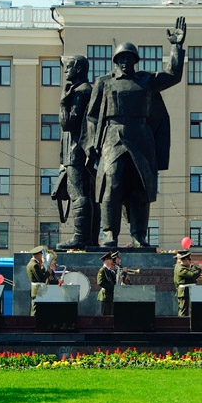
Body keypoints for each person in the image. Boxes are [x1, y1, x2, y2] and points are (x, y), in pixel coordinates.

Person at [82, 17, 187, 247]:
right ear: (116, 61)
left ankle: (139, 235)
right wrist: (91, 142)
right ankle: (109, 233)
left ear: (136, 61)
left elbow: (174, 75)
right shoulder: (104, 82)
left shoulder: (146, 80)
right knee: (113, 181)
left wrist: (176, 47)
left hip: (141, 136)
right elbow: (91, 115)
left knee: (141, 187)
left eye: (130, 58)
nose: (126, 62)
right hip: (113, 135)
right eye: (122, 58)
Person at [55, 55, 99, 250]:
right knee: (89, 195)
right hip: (82, 151)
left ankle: (81, 237)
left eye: (69, 67)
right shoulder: (87, 89)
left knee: (78, 194)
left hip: (76, 151)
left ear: (79, 69)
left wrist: (64, 102)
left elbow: (68, 123)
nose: (65, 71)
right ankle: (89, 238)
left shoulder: (80, 91)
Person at [173, 250, 202, 316]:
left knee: (191, 311)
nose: (190, 261)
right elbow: (192, 275)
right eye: (189, 259)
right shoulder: (180, 268)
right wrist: (199, 269)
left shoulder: (184, 267)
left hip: (188, 291)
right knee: (184, 311)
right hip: (184, 292)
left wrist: (194, 267)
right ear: (183, 260)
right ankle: (181, 324)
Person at [26, 246, 49, 316]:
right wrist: (48, 272)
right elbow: (41, 278)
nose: (42, 255)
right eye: (41, 254)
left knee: (37, 308)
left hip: (37, 289)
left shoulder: (33, 263)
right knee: (35, 310)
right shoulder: (34, 265)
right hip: (37, 289)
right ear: (37, 255)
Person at [97, 251, 117, 316]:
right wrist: (112, 288)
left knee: (111, 314)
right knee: (106, 315)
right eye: (110, 259)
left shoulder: (109, 270)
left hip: (110, 296)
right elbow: (100, 282)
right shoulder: (103, 270)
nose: (112, 261)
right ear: (106, 260)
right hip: (105, 295)